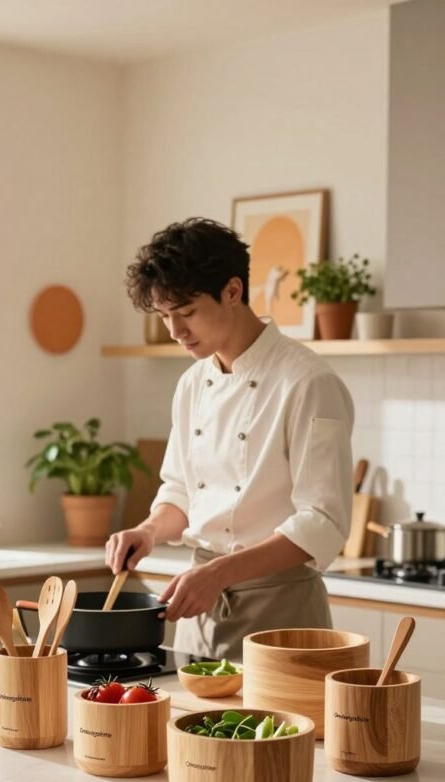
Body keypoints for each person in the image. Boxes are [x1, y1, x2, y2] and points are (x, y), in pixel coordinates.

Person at [105, 217, 354, 662]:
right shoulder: (192, 384)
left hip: (283, 616)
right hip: (199, 611)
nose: (175, 331)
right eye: (165, 317)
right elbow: (181, 492)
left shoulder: (308, 382)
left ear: (233, 291)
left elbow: (323, 524)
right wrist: (146, 531)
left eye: (186, 313)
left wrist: (220, 573)